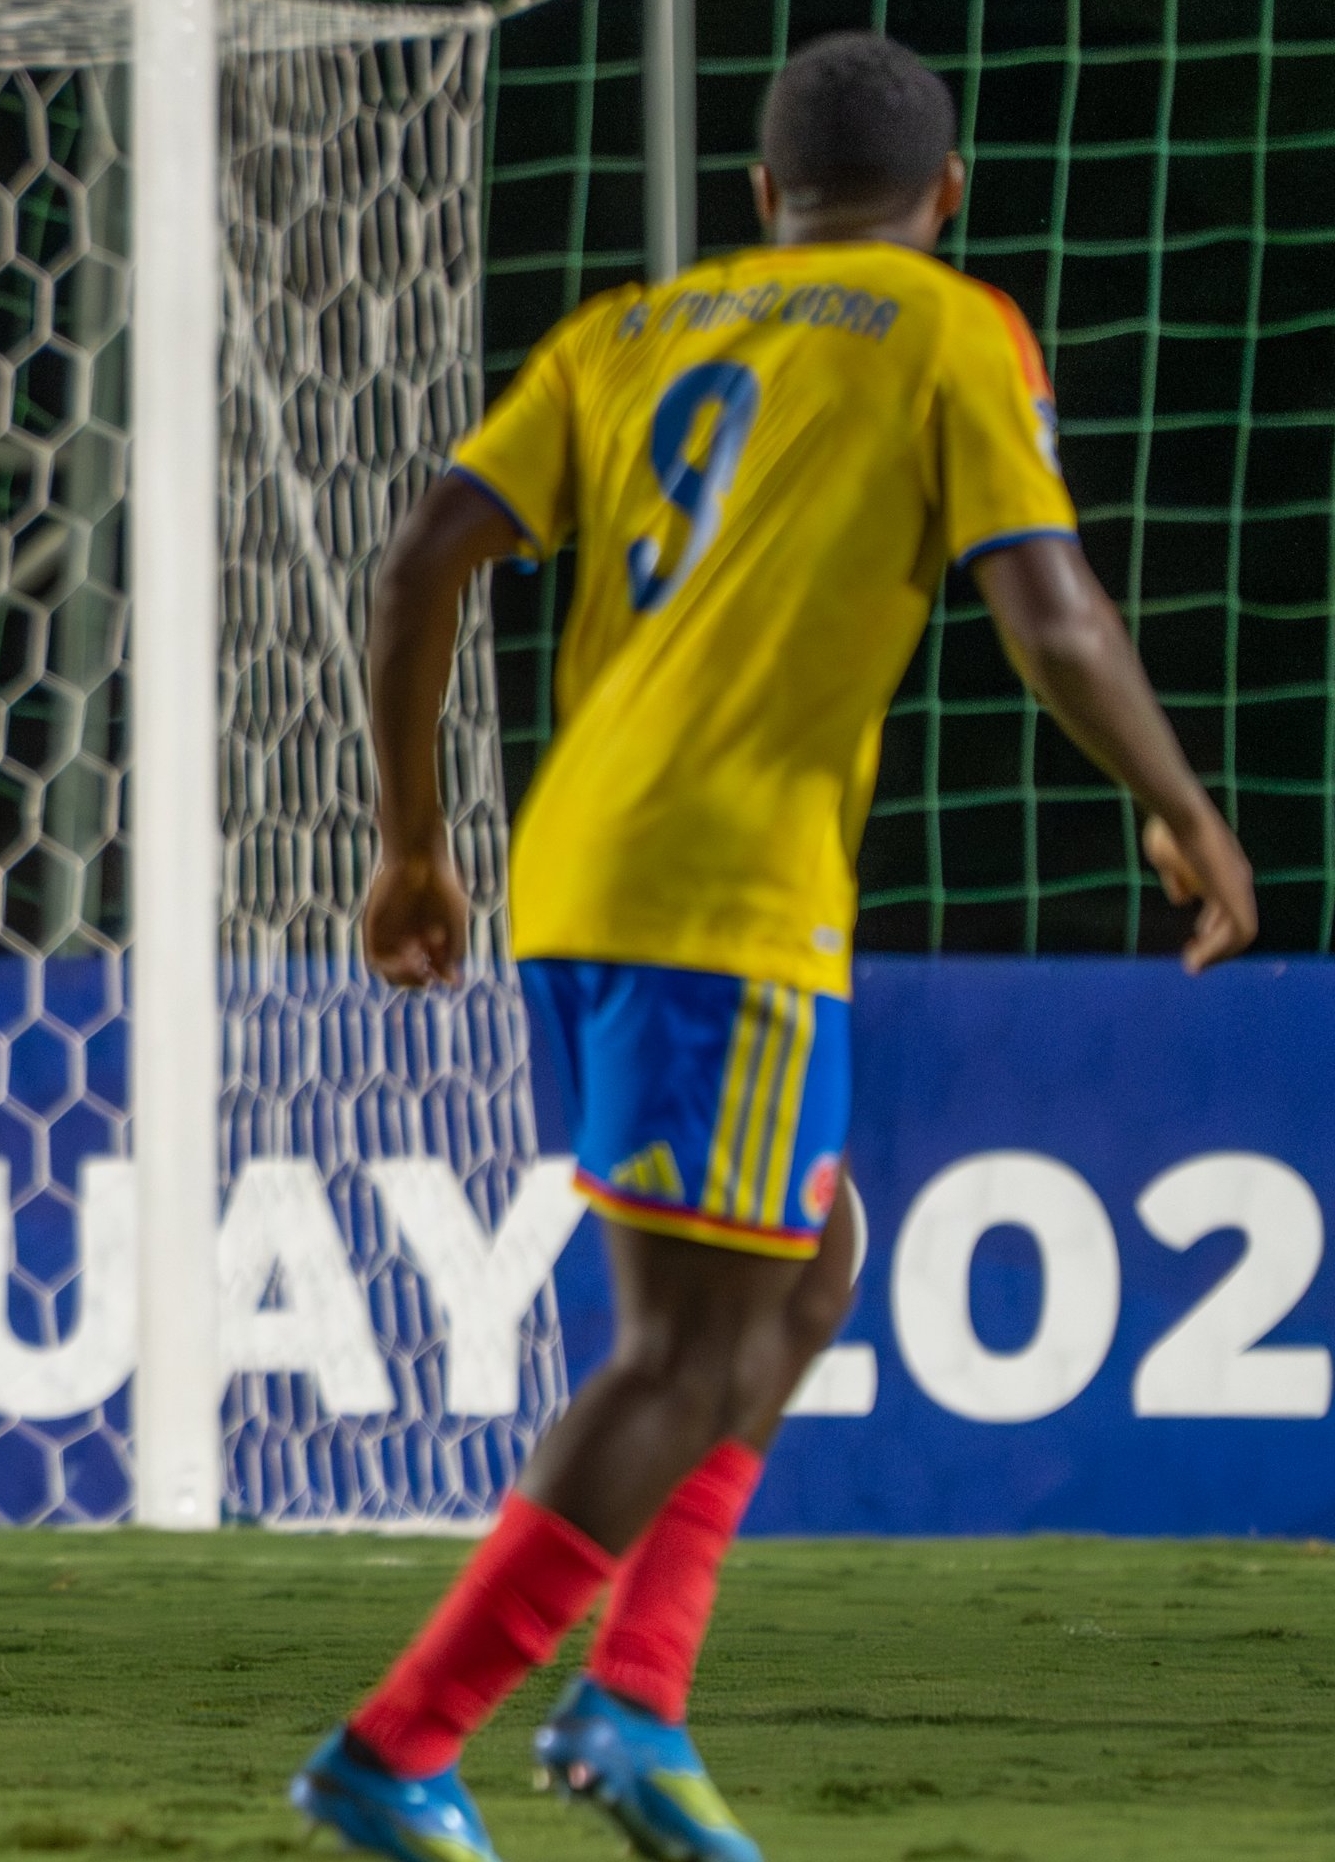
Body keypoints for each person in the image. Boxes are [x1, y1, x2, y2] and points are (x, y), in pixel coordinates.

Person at [292, 32, 1255, 1862]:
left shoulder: (627, 330)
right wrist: (1183, 804)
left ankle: (637, 1704)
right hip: (720, 894)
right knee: (677, 1349)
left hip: (581, 864)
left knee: (805, 1263)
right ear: (944, 196)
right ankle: (399, 1743)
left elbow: (424, 557)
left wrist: (418, 844)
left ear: (759, 198)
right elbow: (1046, 607)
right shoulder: (951, 325)